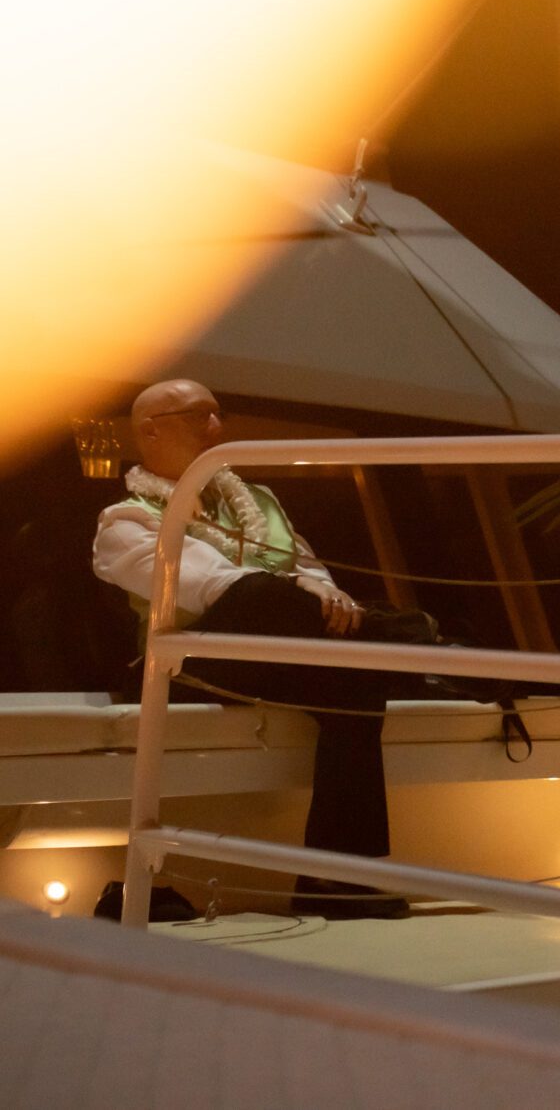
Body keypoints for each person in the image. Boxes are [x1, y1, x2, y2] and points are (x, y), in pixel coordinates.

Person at [91, 381, 410, 918]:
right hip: (186, 665)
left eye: (220, 414)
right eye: (201, 416)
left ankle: (332, 879)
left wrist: (329, 592)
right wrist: (306, 594)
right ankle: (408, 637)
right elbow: (214, 586)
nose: (219, 429)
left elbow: (307, 567)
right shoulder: (126, 520)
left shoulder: (257, 501)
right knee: (259, 593)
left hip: (269, 652)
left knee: (356, 688)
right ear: (150, 429)